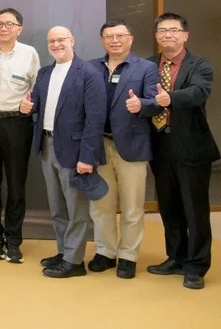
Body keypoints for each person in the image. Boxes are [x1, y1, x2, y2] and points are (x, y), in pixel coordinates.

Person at [20, 26, 106, 279]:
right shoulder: (45, 73)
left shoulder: (89, 73)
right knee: (57, 207)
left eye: (61, 40)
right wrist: (26, 106)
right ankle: (64, 251)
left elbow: (95, 119)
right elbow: (33, 103)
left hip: (75, 150)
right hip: (47, 146)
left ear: (72, 40)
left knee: (76, 209)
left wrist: (87, 157)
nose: (56, 44)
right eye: (51, 41)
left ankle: (75, 261)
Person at [146, 12, 220, 290]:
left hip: (192, 148)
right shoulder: (149, 64)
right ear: (156, 36)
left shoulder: (200, 64)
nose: (168, 35)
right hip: (159, 146)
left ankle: (196, 265)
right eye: (162, 30)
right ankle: (176, 257)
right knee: (169, 207)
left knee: (195, 209)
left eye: (174, 30)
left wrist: (170, 98)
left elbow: (199, 92)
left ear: (185, 35)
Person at [86, 20, 161, 279]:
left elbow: (156, 103)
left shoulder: (147, 68)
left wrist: (141, 104)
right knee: (101, 205)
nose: (114, 40)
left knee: (132, 206)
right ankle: (105, 252)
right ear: (102, 40)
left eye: (120, 36)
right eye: (109, 36)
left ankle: (128, 255)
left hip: (132, 146)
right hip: (98, 146)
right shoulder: (91, 67)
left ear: (130, 39)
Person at [0, 8, 40, 263]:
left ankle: (13, 241)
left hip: (18, 123)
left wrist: (31, 104)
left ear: (19, 29)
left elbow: (36, 88)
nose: (4, 28)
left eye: (9, 24)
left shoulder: (29, 54)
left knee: (16, 184)